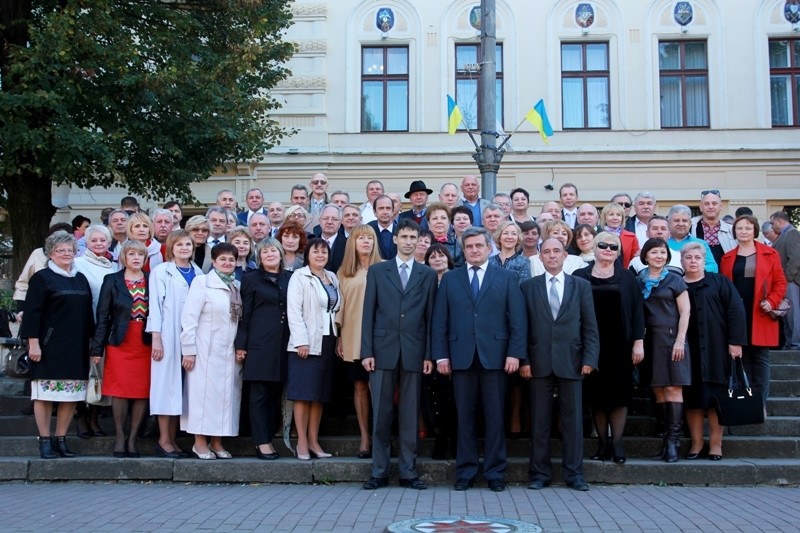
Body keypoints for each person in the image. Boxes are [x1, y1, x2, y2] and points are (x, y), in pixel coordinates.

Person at [431, 227, 527, 492]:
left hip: (496, 357)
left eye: (478, 246)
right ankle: (466, 472)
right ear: (464, 250)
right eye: (469, 246)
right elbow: (440, 320)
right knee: (465, 417)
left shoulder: (506, 277)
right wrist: (440, 355)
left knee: (496, 417)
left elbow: (517, 319)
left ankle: (495, 472)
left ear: (489, 248)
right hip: (460, 358)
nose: (474, 250)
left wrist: (515, 353)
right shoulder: (451, 279)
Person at [361, 219, 438, 490]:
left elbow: (431, 318)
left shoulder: (427, 275)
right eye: (403, 236)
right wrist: (366, 350)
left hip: (415, 351)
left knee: (409, 414)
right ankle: (379, 471)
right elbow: (368, 312)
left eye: (412, 237)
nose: (408, 241)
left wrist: (429, 354)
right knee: (381, 413)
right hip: (382, 350)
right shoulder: (378, 271)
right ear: (394, 239)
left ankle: (408, 471)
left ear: (419, 241)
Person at [521, 237, 599, 491]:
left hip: (572, 362)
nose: (552, 256)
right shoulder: (528, 287)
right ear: (540, 257)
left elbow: (590, 326)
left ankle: (575, 474)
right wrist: (524, 360)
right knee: (539, 422)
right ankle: (539, 474)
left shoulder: (581, 286)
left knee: (573, 421)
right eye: (547, 252)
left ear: (566, 256)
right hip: (538, 362)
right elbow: (522, 328)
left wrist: (589, 359)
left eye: (557, 251)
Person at [21, 231, 94, 459]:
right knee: (44, 395)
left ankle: (61, 439)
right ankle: (45, 440)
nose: (66, 254)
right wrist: (33, 343)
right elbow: (33, 313)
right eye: (60, 250)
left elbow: (88, 314)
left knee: (71, 396)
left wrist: (93, 344)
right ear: (51, 253)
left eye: (69, 250)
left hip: (77, 347)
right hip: (48, 346)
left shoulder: (80, 278)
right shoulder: (41, 278)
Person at [573, 232, 644, 464]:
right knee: (596, 395)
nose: (607, 249)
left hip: (619, 344)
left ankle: (617, 444)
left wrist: (638, 342)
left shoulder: (627, 278)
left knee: (619, 396)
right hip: (589, 345)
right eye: (602, 245)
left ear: (619, 251)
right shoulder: (579, 275)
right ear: (593, 248)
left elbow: (637, 312)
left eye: (613, 247)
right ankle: (602, 444)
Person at [681, 242, 747, 461]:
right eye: (688, 258)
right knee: (693, 399)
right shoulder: (676, 284)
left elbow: (736, 311)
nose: (693, 261)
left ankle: (716, 445)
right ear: (682, 261)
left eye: (697, 258)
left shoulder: (719, 282)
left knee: (716, 399)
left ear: (704, 261)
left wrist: (736, 341)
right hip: (687, 351)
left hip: (717, 348)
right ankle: (697, 444)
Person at [180, 243, 243, 459]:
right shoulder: (202, 283)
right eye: (222, 259)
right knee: (202, 398)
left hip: (229, 352)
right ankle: (199, 443)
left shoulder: (236, 286)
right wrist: (188, 350)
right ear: (214, 261)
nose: (227, 263)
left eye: (231, 259)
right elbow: (189, 319)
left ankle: (217, 442)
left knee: (225, 398)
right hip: (204, 351)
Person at [91, 240, 152, 458]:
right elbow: (103, 316)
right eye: (132, 254)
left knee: (141, 391)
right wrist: (97, 349)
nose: (136, 258)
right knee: (119, 390)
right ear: (123, 257)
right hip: (120, 341)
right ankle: (119, 436)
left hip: (145, 342)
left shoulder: (152, 280)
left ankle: (133, 438)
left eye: (140, 255)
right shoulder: (112, 280)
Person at [235, 238, 293, 460]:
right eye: (265, 252)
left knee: (275, 394)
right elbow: (244, 313)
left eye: (273, 251)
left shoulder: (290, 278)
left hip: (283, 344)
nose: (270, 254)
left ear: (280, 254)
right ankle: (261, 442)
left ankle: (268, 436)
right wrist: (241, 344)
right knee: (259, 394)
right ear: (259, 257)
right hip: (258, 344)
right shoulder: (251, 279)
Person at [720, 215, 787, 406]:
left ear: (755, 230)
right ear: (734, 232)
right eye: (740, 228)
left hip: (761, 311)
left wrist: (772, 301)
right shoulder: (727, 258)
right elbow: (725, 287)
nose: (744, 232)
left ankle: (760, 404)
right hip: (737, 312)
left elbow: (780, 283)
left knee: (760, 358)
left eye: (748, 228)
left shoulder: (770, 253)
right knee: (742, 356)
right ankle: (746, 402)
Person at [147, 229, 202, 458]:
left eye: (188, 245)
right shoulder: (161, 271)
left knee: (182, 389)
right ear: (171, 247)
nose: (184, 249)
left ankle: (174, 439)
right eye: (179, 245)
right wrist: (156, 338)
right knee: (166, 387)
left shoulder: (198, 272)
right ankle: (164, 440)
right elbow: (155, 306)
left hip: (192, 336)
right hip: (168, 335)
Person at [286, 238, 342, 460]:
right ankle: (301, 442)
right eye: (315, 252)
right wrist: (301, 340)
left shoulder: (332, 277)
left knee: (319, 395)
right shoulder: (299, 277)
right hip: (306, 343)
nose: (320, 255)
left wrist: (339, 339)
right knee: (303, 394)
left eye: (324, 252)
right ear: (307, 254)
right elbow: (294, 310)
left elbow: (337, 311)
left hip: (327, 341)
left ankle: (313, 441)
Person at [637, 238, 691, 463]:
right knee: (658, 389)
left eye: (662, 252)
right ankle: (663, 437)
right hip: (650, 341)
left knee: (672, 388)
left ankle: (673, 442)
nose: (658, 256)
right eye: (654, 252)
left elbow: (685, 312)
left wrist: (680, 340)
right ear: (646, 255)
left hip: (672, 340)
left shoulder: (674, 280)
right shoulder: (638, 281)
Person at [335, 224, 382, 459]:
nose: (365, 241)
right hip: (353, 337)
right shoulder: (343, 273)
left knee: (380, 388)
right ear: (352, 243)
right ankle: (365, 436)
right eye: (360, 238)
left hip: (381, 339)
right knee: (360, 386)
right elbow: (339, 309)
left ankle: (380, 435)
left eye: (369, 238)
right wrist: (340, 337)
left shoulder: (385, 269)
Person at [74, 224, 118, 438]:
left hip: (106, 330)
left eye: (103, 240)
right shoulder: (77, 264)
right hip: (84, 327)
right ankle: (81, 418)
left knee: (100, 375)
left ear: (109, 243)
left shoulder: (114, 267)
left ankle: (94, 419)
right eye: (94, 240)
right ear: (87, 243)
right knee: (85, 374)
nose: (99, 244)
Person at [770, 211, 800, 350]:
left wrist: (787, 278)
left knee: (793, 314)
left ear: (779, 221)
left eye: (772, 223)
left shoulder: (792, 233)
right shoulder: (784, 235)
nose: (771, 226)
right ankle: (790, 343)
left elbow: (796, 258)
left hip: (790, 281)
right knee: (787, 313)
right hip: (785, 281)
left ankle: (795, 344)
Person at [666, 205, 718, 273]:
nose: (681, 224)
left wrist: (692, 269)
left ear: (690, 224)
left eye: (684, 221)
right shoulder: (662, 243)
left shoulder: (700, 244)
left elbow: (713, 268)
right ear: (668, 223)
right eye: (676, 220)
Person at [690, 190, 736, 266]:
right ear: (701, 207)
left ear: (721, 206)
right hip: (698, 274)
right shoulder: (691, 227)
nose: (711, 207)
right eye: (706, 204)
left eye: (714, 203)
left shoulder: (732, 230)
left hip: (724, 275)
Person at [600, 203, 639, 269]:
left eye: (618, 215)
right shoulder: (597, 237)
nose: (615, 218)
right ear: (605, 218)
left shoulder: (631, 237)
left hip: (624, 275)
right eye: (611, 214)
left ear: (622, 219)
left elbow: (635, 261)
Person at [491, 221, 531, 285]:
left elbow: (525, 288)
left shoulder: (524, 261)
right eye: (505, 233)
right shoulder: (489, 261)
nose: (509, 237)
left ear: (518, 238)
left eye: (514, 234)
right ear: (499, 237)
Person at [368, 195, 398, 259]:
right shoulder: (368, 230)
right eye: (381, 208)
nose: (385, 212)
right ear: (374, 212)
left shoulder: (401, 230)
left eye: (388, 208)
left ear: (393, 211)